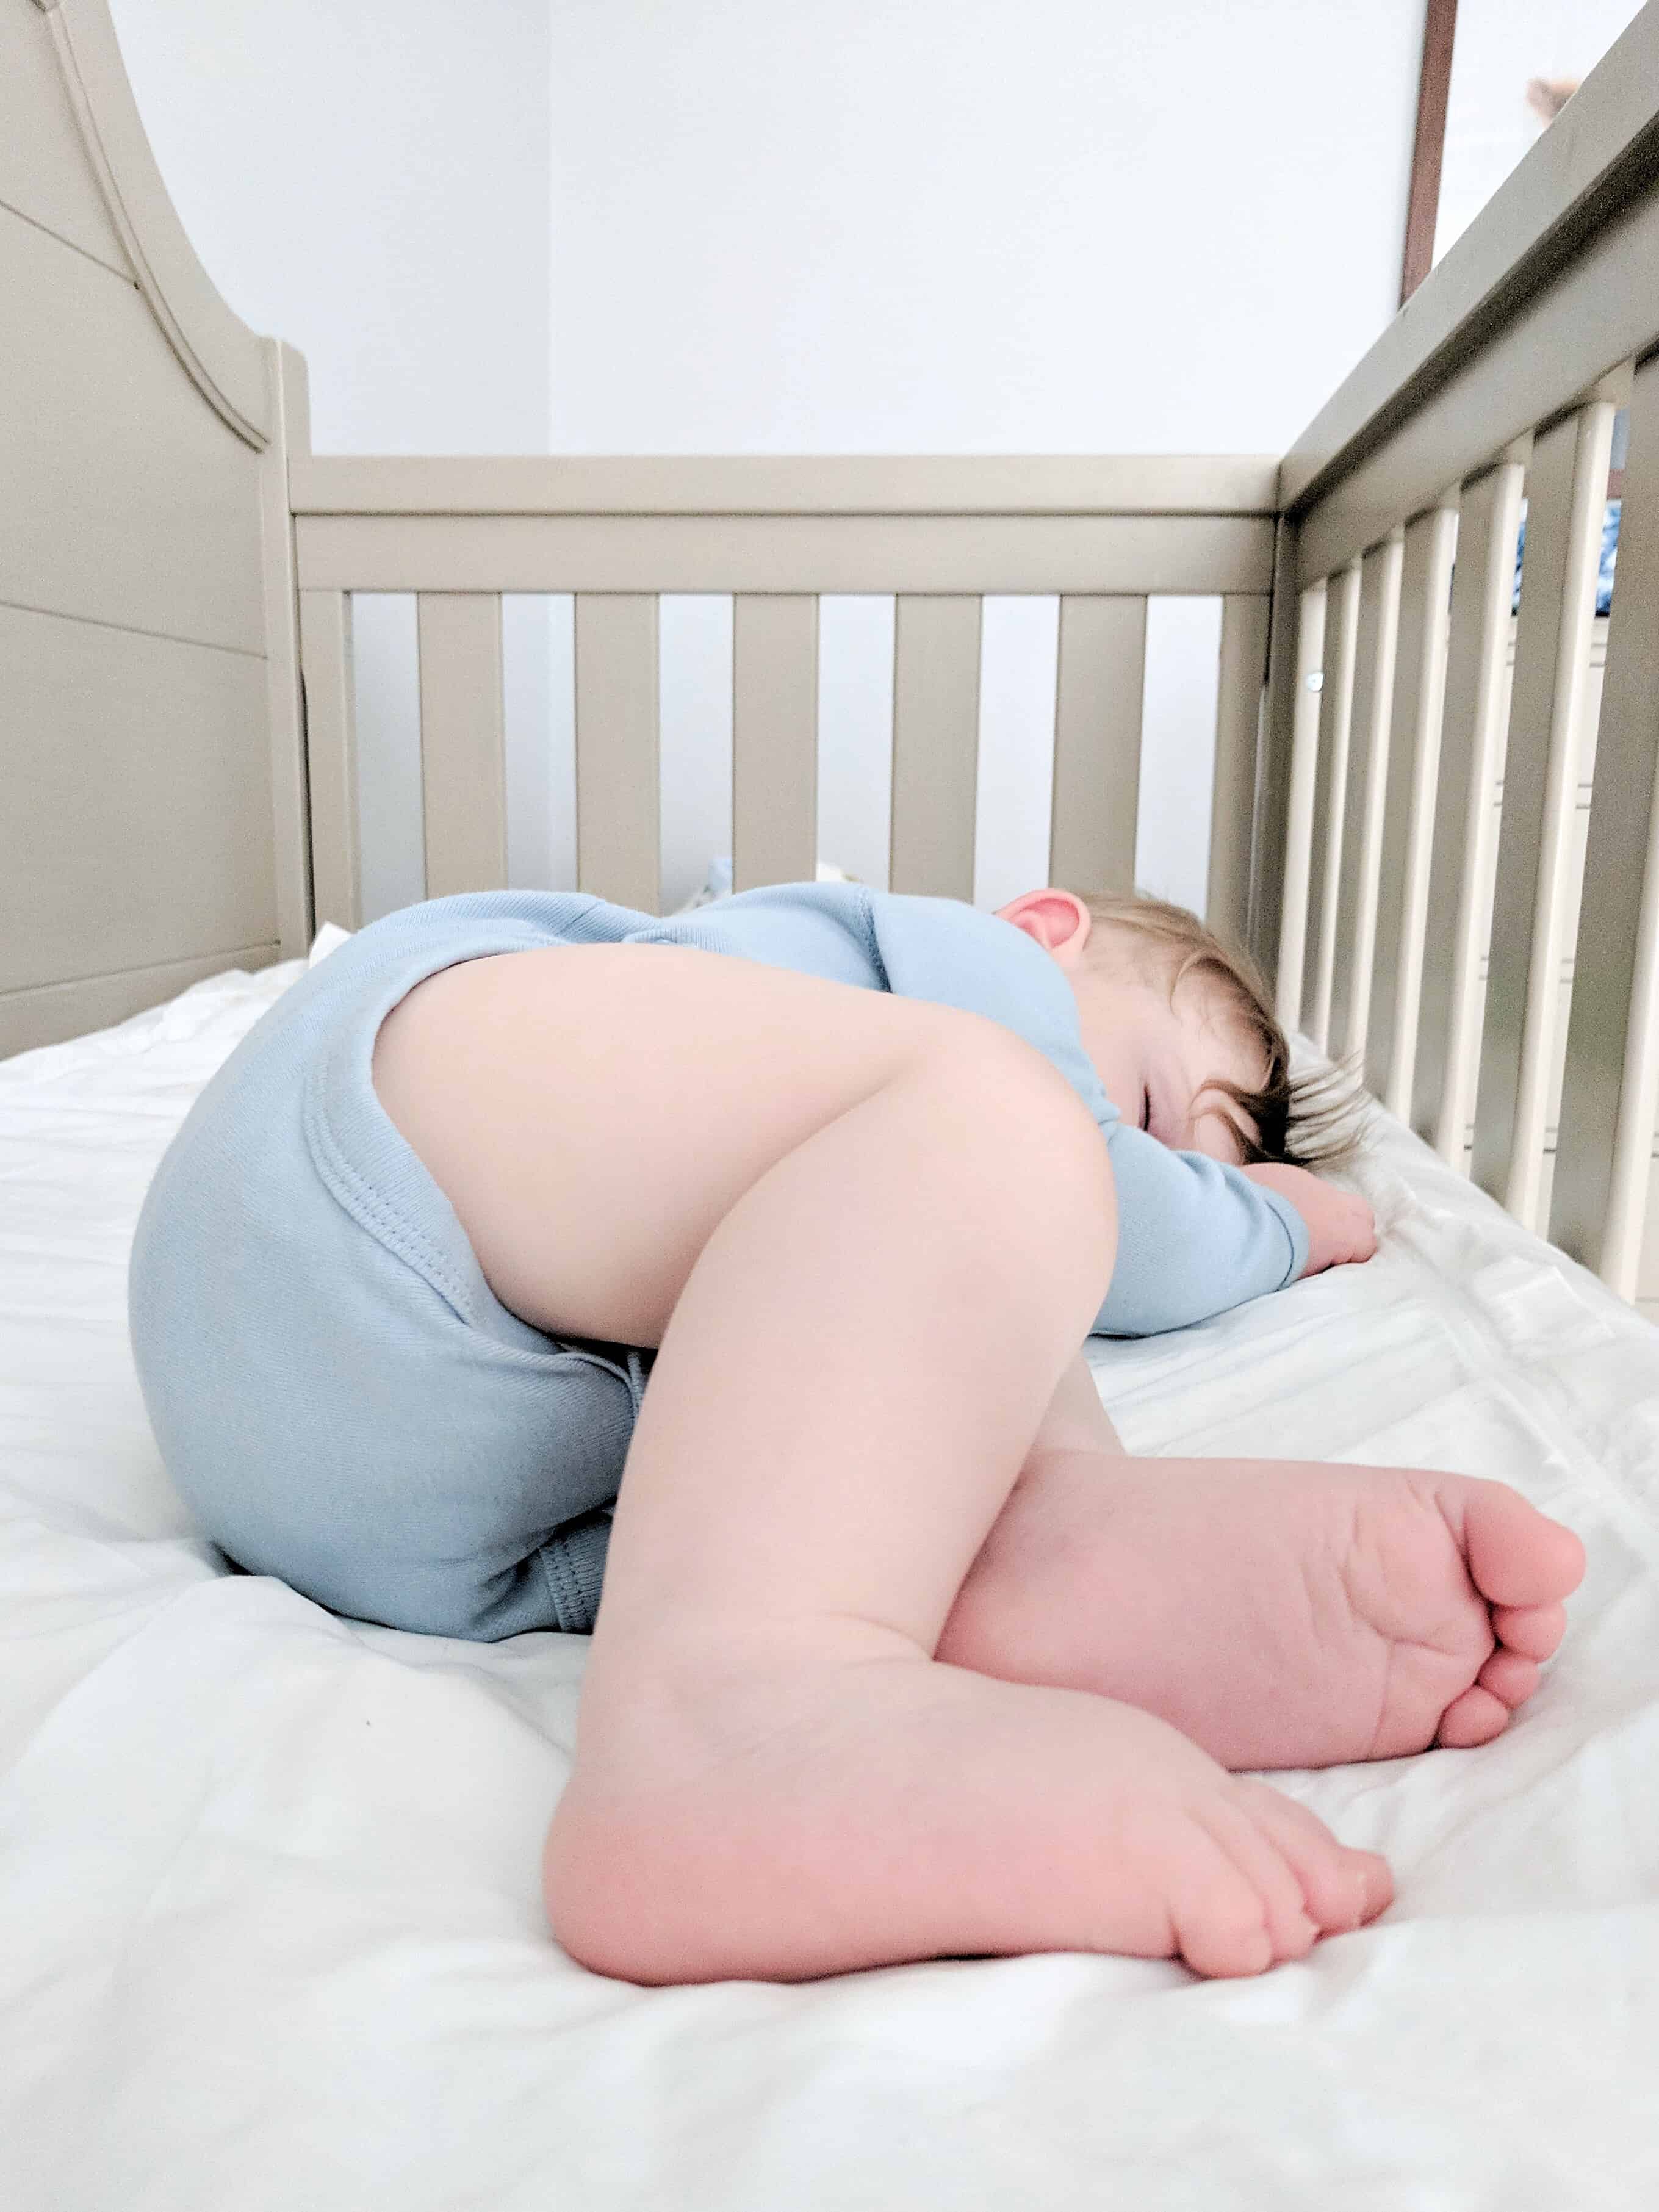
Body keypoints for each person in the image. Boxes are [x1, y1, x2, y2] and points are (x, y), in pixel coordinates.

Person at [126, 879, 1586, 1986]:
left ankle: (1026, 1554)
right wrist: (1275, 1216)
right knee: (996, 1138)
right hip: (352, 1167)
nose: (1143, 1157)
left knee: (957, 1293)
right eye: (1149, 1104)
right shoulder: (948, 966)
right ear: (1044, 926)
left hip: (448, 1483)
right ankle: (738, 1707)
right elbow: (1107, 1203)